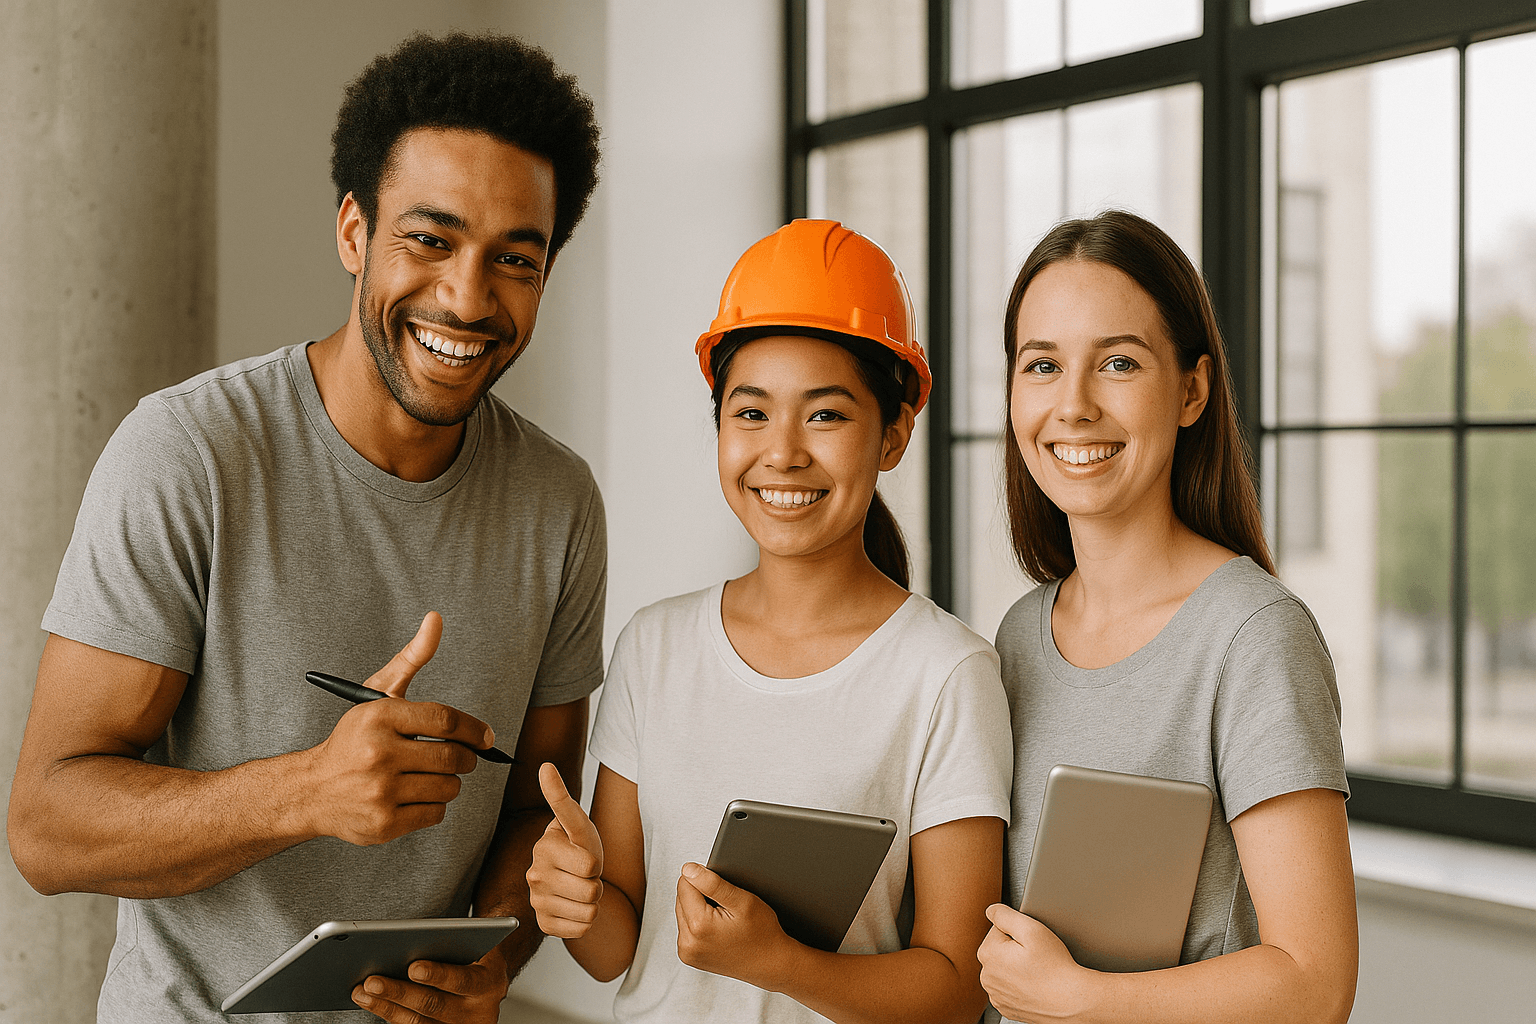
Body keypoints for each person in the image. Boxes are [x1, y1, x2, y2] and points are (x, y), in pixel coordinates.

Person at [7, 32, 604, 1024]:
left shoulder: (560, 501)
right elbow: (46, 829)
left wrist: (491, 963)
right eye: (430, 240)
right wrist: (308, 791)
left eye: (514, 259)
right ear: (353, 232)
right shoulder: (188, 452)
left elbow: (534, 808)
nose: (467, 297)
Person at [525, 219, 1014, 1023]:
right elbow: (616, 950)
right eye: (750, 413)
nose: (782, 452)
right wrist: (572, 896)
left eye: (825, 416)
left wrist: (781, 964)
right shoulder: (654, 648)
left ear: (894, 433)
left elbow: (958, 992)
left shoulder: (946, 674)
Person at [977, 210, 1357, 1024]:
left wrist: (1082, 999)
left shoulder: (1254, 636)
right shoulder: (1018, 637)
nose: (1073, 406)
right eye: (1042, 365)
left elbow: (1317, 985)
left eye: (1117, 363)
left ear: (1191, 390)